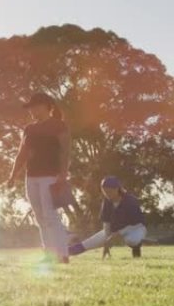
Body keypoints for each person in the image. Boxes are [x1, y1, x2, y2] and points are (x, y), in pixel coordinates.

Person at [7, 92, 72, 263]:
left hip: (50, 177)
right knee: (40, 217)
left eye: (34, 106)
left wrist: (63, 174)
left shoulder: (59, 126)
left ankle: (62, 254)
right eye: (30, 108)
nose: (31, 110)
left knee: (50, 216)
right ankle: (49, 255)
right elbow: (22, 154)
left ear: (45, 106)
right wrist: (13, 175)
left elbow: (65, 152)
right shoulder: (29, 129)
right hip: (31, 178)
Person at [68, 176, 146, 258]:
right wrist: (107, 241)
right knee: (87, 244)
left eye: (110, 191)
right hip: (114, 231)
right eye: (104, 191)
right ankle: (63, 252)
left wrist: (116, 235)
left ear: (117, 189)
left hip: (135, 229)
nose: (107, 194)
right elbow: (106, 223)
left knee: (132, 240)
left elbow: (136, 224)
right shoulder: (107, 201)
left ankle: (137, 251)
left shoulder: (130, 201)